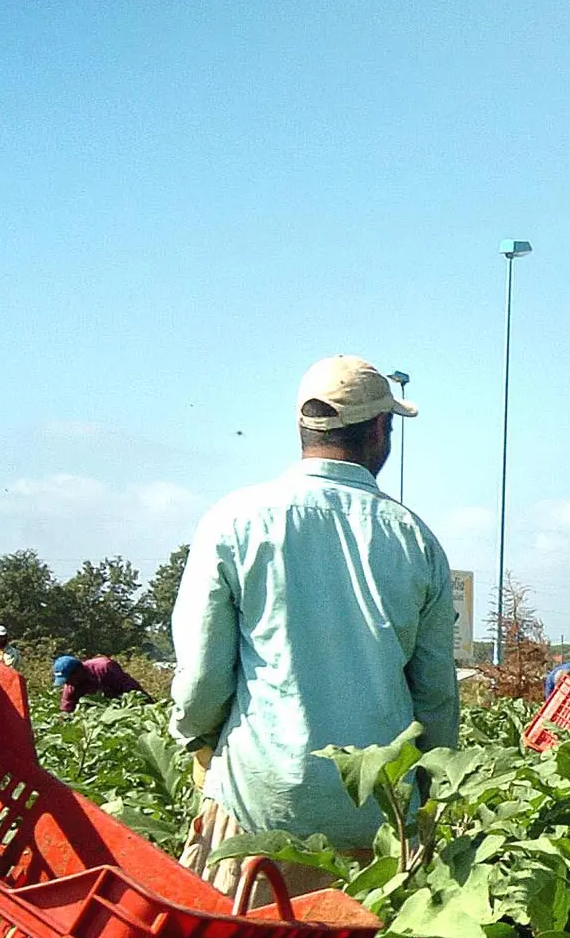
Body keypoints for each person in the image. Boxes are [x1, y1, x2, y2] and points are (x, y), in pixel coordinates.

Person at [171, 355, 460, 901]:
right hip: (378, 823)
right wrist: (430, 795)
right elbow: (436, 696)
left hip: (260, 807)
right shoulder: (415, 540)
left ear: (302, 429)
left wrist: (196, 738)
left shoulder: (235, 521)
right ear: (380, 428)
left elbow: (203, 678)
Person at [53, 653, 148, 712]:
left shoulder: (104, 668)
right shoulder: (70, 686)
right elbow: (66, 710)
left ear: (78, 671)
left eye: (68, 679)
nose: (68, 683)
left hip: (122, 704)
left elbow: (132, 691)